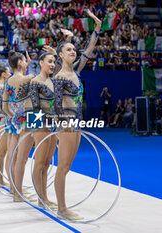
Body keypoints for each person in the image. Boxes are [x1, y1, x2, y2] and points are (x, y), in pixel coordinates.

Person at [52, 9, 101, 220]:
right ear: (60, 55)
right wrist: (64, 122)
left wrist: (97, 27)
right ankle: (62, 209)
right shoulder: (60, 75)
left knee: (68, 166)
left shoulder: (76, 71)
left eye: (74, 49)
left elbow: (90, 48)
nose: (73, 51)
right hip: (66, 123)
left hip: (77, 122)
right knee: (62, 166)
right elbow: (56, 104)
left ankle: (62, 205)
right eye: (69, 49)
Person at [2, 50, 35, 202]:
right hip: (27, 119)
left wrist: (12, 116)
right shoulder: (29, 77)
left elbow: (4, 107)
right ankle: (18, 194)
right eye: (24, 61)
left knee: (13, 158)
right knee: (22, 159)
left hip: (14, 120)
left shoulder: (8, 82)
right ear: (21, 63)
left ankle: (14, 190)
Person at [29, 51, 58, 209]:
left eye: (54, 61)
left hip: (52, 124)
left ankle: (45, 197)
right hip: (39, 122)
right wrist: (49, 117)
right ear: (41, 63)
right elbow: (35, 106)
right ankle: (40, 198)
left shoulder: (52, 81)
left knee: (47, 163)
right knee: (39, 163)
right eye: (49, 61)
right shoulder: (35, 81)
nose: (52, 64)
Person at [0, 64, 11, 187]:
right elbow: (3, 108)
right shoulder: (1, 87)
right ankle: (0, 180)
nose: (10, 75)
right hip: (3, 120)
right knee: (1, 153)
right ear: (4, 74)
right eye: (9, 73)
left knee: (3, 152)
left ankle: (1, 180)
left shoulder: (3, 86)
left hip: (4, 119)